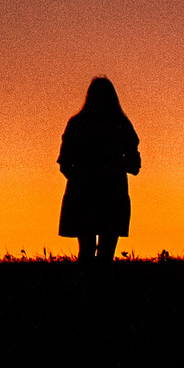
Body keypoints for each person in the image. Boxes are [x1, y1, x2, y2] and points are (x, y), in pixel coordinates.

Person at [58, 77, 140, 261]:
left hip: (96, 194)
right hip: (104, 194)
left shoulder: (79, 124)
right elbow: (134, 165)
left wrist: (80, 178)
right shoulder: (119, 124)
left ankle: (88, 280)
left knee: (90, 252)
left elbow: (64, 162)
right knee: (101, 253)